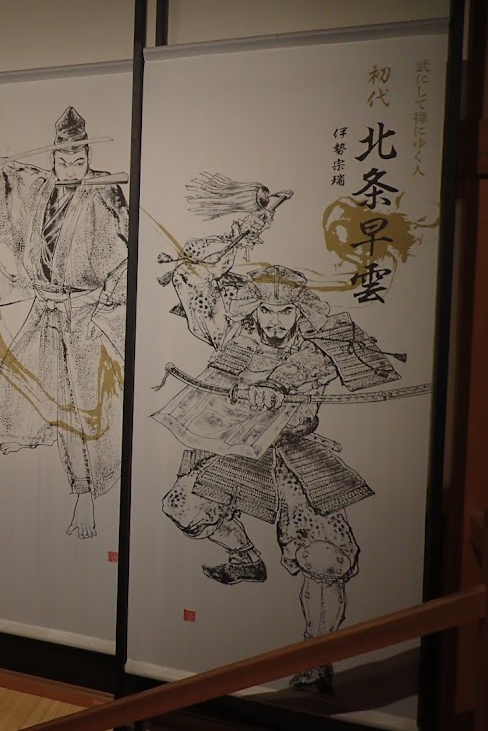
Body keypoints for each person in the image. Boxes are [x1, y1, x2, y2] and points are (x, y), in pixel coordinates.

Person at [156, 217, 385, 692]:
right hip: (242, 452)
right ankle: (244, 557)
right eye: (266, 311)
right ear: (254, 311)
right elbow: (218, 378)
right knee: (183, 505)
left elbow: (324, 362)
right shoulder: (240, 337)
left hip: (296, 456)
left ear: (300, 312)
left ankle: (316, 657)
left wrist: (277, 384)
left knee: (325, 559)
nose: (275, 322)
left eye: (285, 312)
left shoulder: (320, 343)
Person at [0, 106, 129, 539]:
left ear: (88, 158)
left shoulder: (104, 191)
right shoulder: (43, 187)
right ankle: (58, 473)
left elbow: (126, 252)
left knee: (84, 403)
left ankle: (88, 490)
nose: (71, 170)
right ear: (53, 159)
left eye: (79, 161)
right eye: (63, 161)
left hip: (86, 314)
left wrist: (103, 299)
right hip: (48, 309)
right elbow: (6, 172)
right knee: (29, 382)